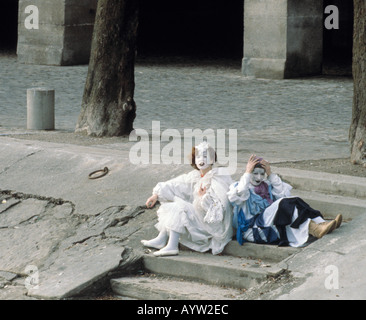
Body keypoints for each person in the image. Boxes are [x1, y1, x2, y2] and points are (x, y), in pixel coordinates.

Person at [227, 155, 342, 247]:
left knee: (295, 200)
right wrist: (247, 172)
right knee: (284, 202)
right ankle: (316, 229)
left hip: (268, 222)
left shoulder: (266, 186)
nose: (258, 177)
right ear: (248, 173)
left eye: (262, 174)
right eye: (254, 173)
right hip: (254, 228)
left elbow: (283, 193)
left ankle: (321, 223)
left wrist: (270, 173)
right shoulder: (239, 187)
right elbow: (240, 193)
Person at [142, 142, 233, 256]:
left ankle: (172, 246)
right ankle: (161, 239)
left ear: (212, 159)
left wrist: (203, 198)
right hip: (200, 216)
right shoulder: (195, 176)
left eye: (205, 156)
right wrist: (156, 194)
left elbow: (220, 206)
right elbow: (177, 184)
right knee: (169, 206)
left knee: (179, 206)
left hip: (210, 225)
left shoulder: (216, 177)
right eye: (198, 156)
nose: (201, 159)